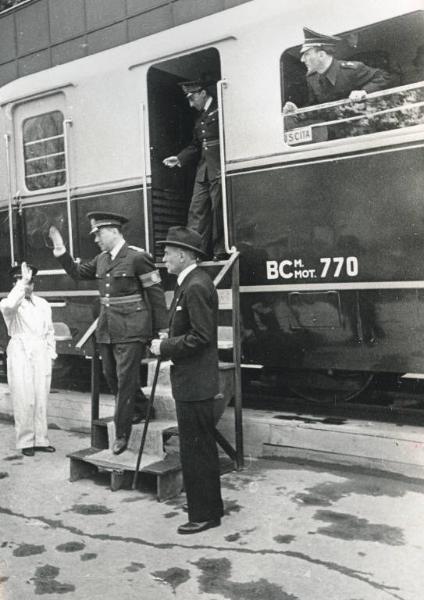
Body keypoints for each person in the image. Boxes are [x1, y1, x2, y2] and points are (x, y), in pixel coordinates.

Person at [49, 212, 168, 455]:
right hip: (108, 327)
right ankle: (142, 408)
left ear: (114, 231)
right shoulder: (102, 259)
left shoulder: (137, 257)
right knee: (110, 374)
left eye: (99, 234)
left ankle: (122, 432)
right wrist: (61, 251)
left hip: (133, 328)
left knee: (124, 379)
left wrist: (162, 331)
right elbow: (78, 273)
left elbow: (155, 295)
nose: (96, 239)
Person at [150, 226, 224, 534]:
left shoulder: (194, 286)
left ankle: (204, 514)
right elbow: (193, 330)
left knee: (197, 450)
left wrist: (164, 346)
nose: (164, 258)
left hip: (195, 382)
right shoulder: (191, 282)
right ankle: (208, 506)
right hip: (193, 380)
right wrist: (173, 336)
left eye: (168, 253)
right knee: (199, 447)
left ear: (183, 254)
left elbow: (202, 336)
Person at [163, 79, 226, 260]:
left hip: (218, 167)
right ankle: (194, 252)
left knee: (218, 209)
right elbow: (196, 145)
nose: (191, 104)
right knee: (196, 210)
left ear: (203, 93)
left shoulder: (220, 110)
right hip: (204, 171)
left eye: (192, 98)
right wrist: (180, 158)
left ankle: (220, 250)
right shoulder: (200, 118)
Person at [0, 262, 56, 457]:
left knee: (41, 395)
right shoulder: (9, 303)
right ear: (15, 283)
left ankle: (41, 439)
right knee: (24, 397)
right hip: (20, 349)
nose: (28, 286)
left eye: (30, 282)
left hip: (40, 350)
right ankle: (25, 441)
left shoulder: (43, 304)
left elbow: (49, 331)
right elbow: (9, 305)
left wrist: (52, 353)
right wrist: (21, 284)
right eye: (23, 281)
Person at [283, 27, 390, 113]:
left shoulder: (352, 69)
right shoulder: (311, 78)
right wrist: (297, 112)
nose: (302, 60)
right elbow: (315, 106)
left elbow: (385, 76)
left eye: (306, 54)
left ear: (321, 55)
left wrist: (364, 91)